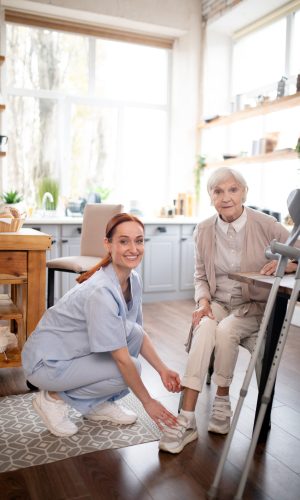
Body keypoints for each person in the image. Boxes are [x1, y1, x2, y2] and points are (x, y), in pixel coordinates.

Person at [159, 167, 298, 454]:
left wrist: (290, 264)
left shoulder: (266, 224)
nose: (226, 197)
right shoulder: (204, 229)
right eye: (218, 191)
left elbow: (299, 251)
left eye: (233, 190)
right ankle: (186, 419)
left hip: (254, 307)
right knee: (205, 326)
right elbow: (200, 276)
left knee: (224, 331)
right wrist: (203, 303)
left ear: (244, 192)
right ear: (210, 197)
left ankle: (222, 401)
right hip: (218, 303)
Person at [22, 213, 181, 438]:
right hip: (46, 363)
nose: (133, 248)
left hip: (73, 353)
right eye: (124, 241)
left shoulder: (132, 279)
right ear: (108, 244)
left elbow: (138, 333)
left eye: (139, 240)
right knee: (131, 368)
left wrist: (163, 369)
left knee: (133, 334)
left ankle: (97, 403)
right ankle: (52, 400)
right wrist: (148, 402)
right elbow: (122, 360)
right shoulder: (101, 292)